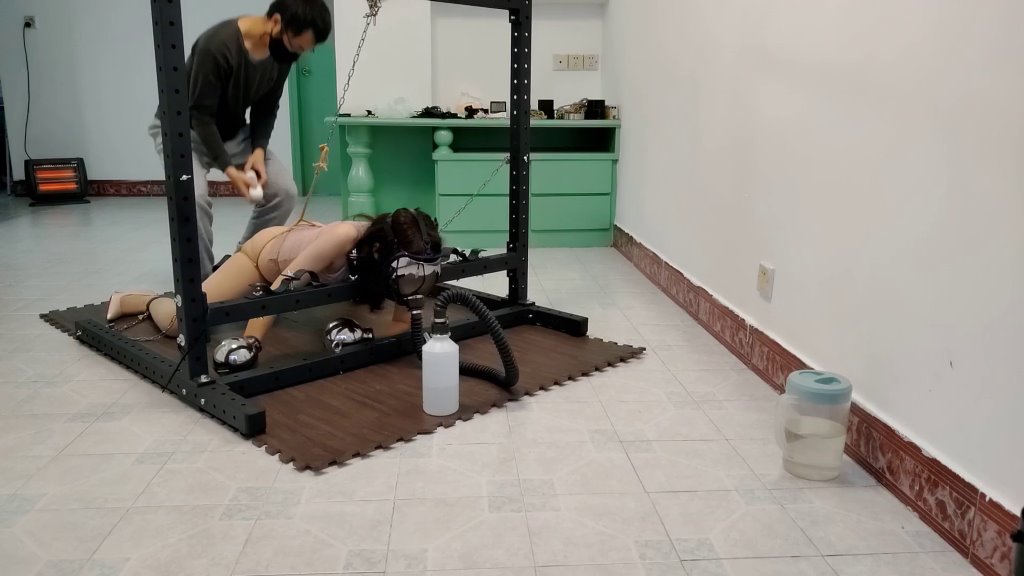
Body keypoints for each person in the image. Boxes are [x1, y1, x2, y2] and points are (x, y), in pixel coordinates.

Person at [148, 0, 333, 280]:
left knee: (283, 191)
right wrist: (229, 169)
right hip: (184, 130)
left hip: (231, 131)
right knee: (192, 198)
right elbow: (201, 115)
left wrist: (258, 150)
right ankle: (203, 284)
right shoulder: (217, 46)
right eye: (296, 46)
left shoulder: (280, 54)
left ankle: (241, 265)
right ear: (276, 23)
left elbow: (267, 107)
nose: (296, 55)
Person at [105, 208, 443, 358]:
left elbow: (404, 324)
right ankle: (135, 299)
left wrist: (363, 335)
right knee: (180, 322)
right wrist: (250, 342)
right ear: (380, 250)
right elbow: (279, 288)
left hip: (301, 259)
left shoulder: (403, 262)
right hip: (263, 260)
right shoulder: (345, 238)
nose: (413, 277)